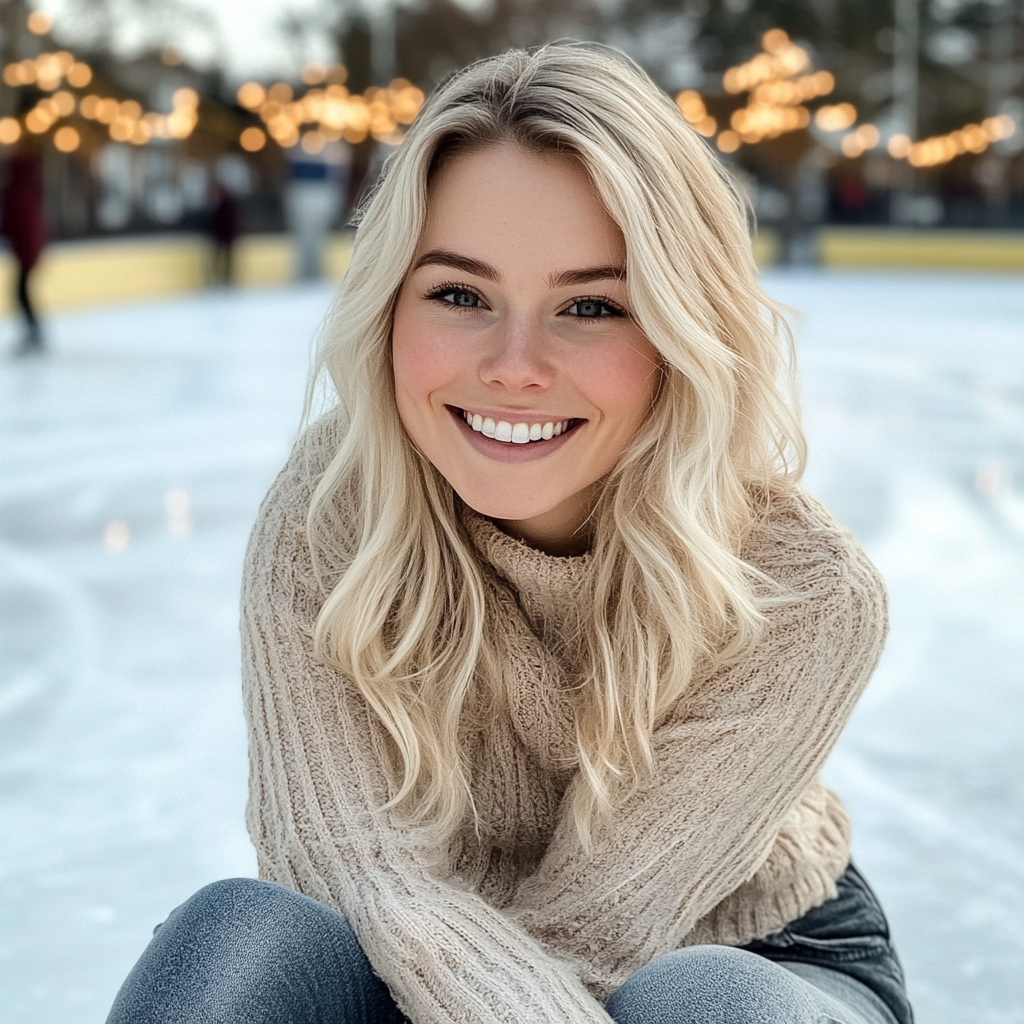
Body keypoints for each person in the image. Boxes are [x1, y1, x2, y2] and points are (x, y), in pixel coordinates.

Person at [106, 43, 914, 1024]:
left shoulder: (804, 589)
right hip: (407, 941)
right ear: (390, 304)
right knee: (236, 937)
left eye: (589, 306)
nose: (515, 366)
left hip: (750, 948)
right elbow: (351, 867)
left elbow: (591, 937)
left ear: (677, 329)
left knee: (707, 1003)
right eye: (459, 294)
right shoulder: (331, 507)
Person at [2, 142, 47, 354]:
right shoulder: (24, 189)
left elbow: (19, 224)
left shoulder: (19, 192)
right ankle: (33, 332)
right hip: (28, 251)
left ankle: (34, 333)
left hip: (26, 252)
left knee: (21, 292)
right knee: (21, 292)